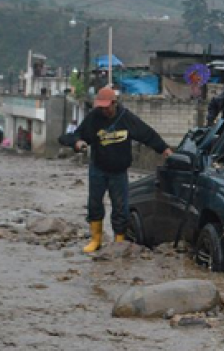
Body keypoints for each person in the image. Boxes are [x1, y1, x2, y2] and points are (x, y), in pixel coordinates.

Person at [65, 87, 173, 253]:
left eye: (106, 106)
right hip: (98, 169)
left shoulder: (126, 118)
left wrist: (164, 149)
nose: (104, 110)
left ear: (114, 104)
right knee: (94, 204)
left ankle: (119, 240)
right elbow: (75, 135)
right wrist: (78, 143)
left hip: (119, 171)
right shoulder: (94, 118)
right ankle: (96, 239)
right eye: (101, 107)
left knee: (120, 207)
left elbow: (147, 134)